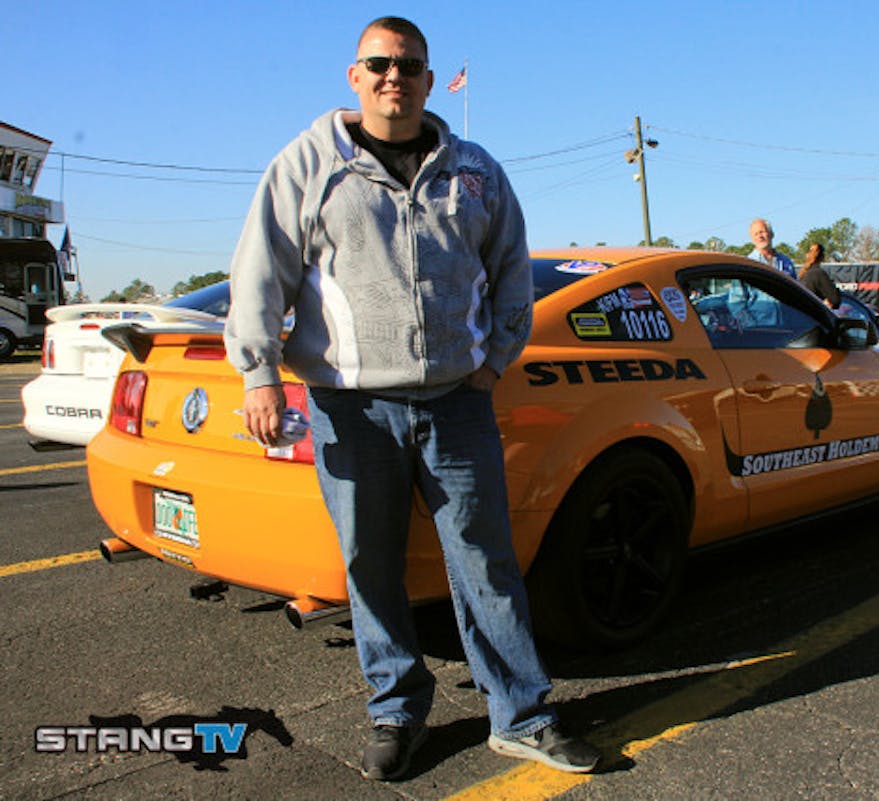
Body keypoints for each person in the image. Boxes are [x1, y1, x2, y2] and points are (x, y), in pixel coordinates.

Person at [223, 16, 599, 782]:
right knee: (369, 564)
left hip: (457, 403)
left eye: (410, 65)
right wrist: (258, 372)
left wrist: (491, 365)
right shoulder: (307, 165)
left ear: (430, 80)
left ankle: (521, 715)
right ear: (354, 76)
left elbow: (512, 278)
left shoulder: (476, 172)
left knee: (486, 563)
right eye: (379, 63)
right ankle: (396, 707)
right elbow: (260, 275)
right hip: (352, 408)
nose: (395, 76)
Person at [797, 242, 840, 308]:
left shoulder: (802, 274)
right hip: (813, 315)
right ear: (822, 257)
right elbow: (835, 300)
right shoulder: (819, 274)